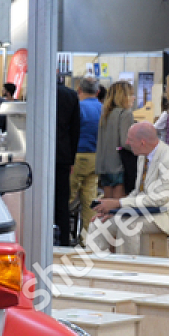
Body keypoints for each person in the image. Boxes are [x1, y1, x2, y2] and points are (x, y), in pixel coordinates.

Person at [91, 121, 169, 253]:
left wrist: (118, 203)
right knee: (98, 223)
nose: (127, 143)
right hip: (149, 211)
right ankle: (99, 269)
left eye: (130, 139)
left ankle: (128, 269)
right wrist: (116, 210)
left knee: (127, 224)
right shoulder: (143, 157)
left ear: (142, 142)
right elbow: (138, 192)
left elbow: (159, 200)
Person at [69, 76, 102, 244]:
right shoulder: (103, 109)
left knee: (68, 197)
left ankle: (61, 234)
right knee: (90, 201)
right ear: (98, 92)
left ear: (79, 90)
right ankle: (88, 241)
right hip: (96, 158)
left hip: (77, 157)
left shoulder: (78, 107)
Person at [96, 80, 136, 202]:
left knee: (107, 206)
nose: (133, 98)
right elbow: (125, 142)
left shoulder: (106, 114)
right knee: (119, 208)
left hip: (104, 166)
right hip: (119, 165)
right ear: (124, 96)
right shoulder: (126, 114)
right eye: (131, 94)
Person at [55, 77, 81, 247]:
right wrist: (71, 158)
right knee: (62, 200)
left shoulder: (37, 93)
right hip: (63, 154)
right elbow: (76, 129)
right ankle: (63, 240)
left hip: (41, 154)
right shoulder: (71, 96)